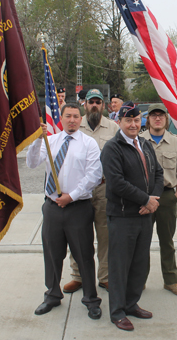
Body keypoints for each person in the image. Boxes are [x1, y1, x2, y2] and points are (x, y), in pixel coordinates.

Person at [26, 103, 102, 320]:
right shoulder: (50, 141)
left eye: (76, 116)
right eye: (68, 116)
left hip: (78, 208)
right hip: (52, 209)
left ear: (81, 119)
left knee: (84, 256)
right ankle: (51, 295)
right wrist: (37, 139)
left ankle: (91, 299)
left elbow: (94, 175)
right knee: (52, 255)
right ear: (61, 118)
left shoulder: (89, 144)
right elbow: (32, 163)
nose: (72, 120)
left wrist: (72, 196)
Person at [101, 101, 164, 331]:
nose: (133, 124)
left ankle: (131, 304)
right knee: (119, 266)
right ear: (119, 122)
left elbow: (158, 173)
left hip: (144, 215)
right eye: (128, 120)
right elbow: (117, 183)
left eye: (137, 120)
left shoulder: (145, 144)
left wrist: (153, 200)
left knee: (140, 264)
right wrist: (144, 199)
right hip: (122, 216)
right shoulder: (112, 148)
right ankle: (117, 312)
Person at [63, 89, 118, 294]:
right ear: (84, 104)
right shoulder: (76, 125)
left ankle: (105, 276)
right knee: (78, 234)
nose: (94, 105)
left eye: (98, 102)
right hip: (79, 192)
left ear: (104, 106)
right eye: (91, 102)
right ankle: (77, 276)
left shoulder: (113, 128)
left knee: (105, 235)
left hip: (104, 189)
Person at [140, 103, 177, 296]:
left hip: (167, 197)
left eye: (161, 115)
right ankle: (139, 280)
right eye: (153, 115)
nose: (157, 118)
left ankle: (171, 280)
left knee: (167, 241)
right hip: (143, 197)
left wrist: (176, 194)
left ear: (166, 119)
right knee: (142, 241)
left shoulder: (176, 143)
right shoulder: (139, 140)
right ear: (148, 119)